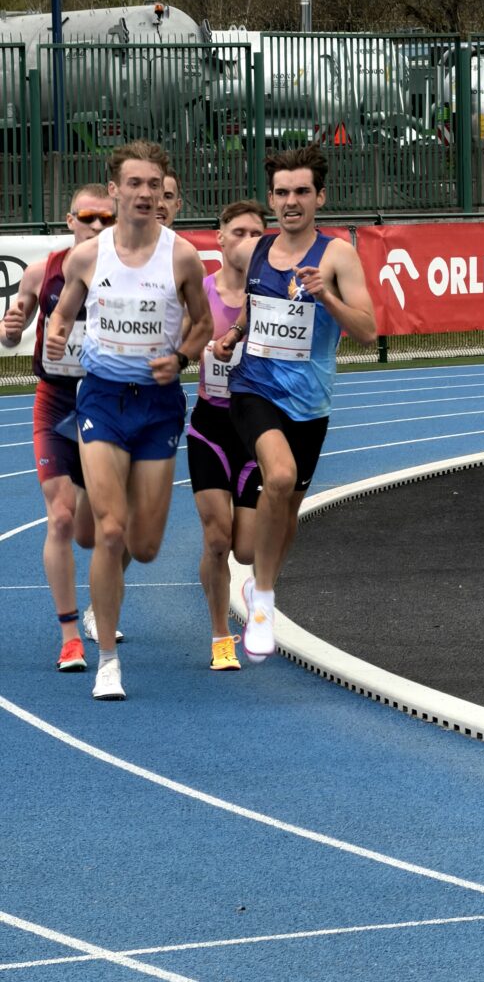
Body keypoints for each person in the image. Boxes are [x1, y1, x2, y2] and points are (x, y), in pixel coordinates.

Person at [46, 140, 213, 700]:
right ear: (114, 190)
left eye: (154, 185)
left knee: (143, 546)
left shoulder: (181, 256)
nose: (145, 194)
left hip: (157, 407)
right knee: (110, 532)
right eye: (134, 184)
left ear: (163, 192)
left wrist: (181, 358)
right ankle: (108, 663)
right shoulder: (88, 257)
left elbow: (203, 324)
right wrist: (56, 334)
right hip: (102, 399)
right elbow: (63, 314)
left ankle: (96, 497)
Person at [214, 144, 377, 664]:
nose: (291, 201)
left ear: (319, 197)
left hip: (310, 404)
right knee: (279, 478)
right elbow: (255, 309)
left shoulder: (337, 255)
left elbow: (368, 332)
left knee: (288, 514)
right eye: (282, 193)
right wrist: (233, 335)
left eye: (301, 191)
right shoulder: (256, 251)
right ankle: (262, 600)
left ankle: (262, 584)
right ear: (271, 199)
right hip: (253, 389)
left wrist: (325, 296)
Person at [0, 185, 123, 672]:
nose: (96, 226)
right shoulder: (42, 271)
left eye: (107, 219)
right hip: (55, 403)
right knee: (61, 518)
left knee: (97, 531)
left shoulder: (130, 277)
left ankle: (99, 604)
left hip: (107, 407)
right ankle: (70, 636)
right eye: (88, 217)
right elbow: (12, 331)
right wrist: (11, 330)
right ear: (70, 221)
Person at [187, 200, 268, 671]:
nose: (247, 240)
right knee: (217, 540)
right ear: (219, 239)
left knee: (247, 549)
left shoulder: (274, 295)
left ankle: (257, 590)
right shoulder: (199, 292)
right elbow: (176, 342)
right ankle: (221, 636)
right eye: (238, 232)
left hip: (256, 429)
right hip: (210, 428)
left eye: (256, 233)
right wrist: (199, 347)